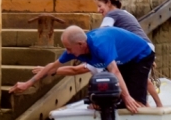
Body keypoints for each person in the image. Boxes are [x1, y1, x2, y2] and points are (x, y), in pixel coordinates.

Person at [10, 26, 155, 114]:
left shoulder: (99, 46)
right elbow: (52, 66)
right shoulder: (74, 50)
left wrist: (127, 96)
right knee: (114, 98)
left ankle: (148, 117)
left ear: (80, 44)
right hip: (122, 59)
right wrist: (27, 84)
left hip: (140, 56)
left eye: (68, 48)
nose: (67, 52)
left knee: (133, 100)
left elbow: (115, 72)